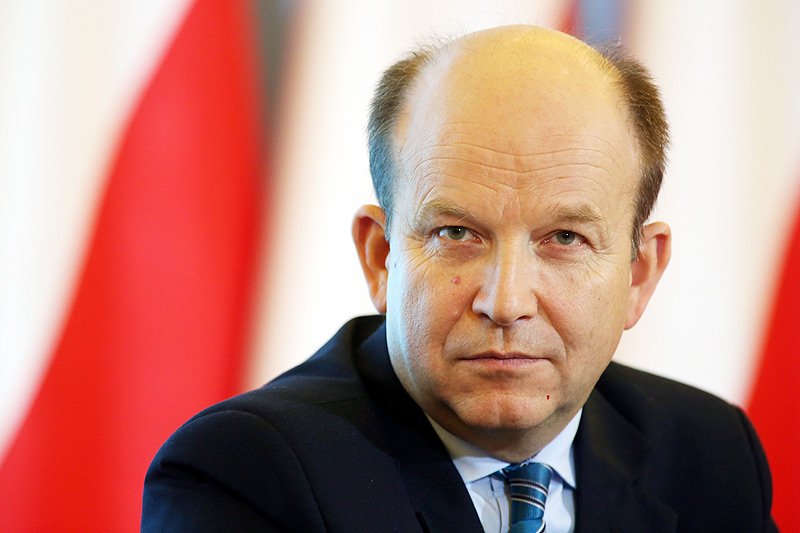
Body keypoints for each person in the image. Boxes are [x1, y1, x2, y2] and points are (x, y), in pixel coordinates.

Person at [142, 25, 776, 532]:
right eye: (455, 234)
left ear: (638, 274)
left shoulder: (707, 454)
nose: (506, 302)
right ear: (380, 257)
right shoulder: (247, 472)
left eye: (564, 239)